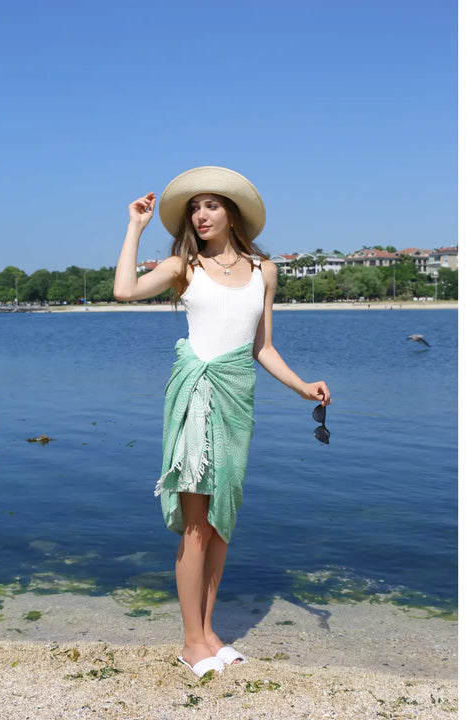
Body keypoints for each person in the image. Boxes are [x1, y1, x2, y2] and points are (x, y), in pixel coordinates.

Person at [113, 166, 331, 679]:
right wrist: (134, 227)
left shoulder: (265, 271)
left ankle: (210, 632)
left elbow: (262, 347)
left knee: (220, 525)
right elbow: (124, 290)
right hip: (196, 399)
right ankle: (192, 643)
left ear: (232, 213)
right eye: (194, 207)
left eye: (211, 204)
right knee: (194, 526)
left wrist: (302, 386)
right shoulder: (181, 267)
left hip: (237, 400)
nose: (201, 214)